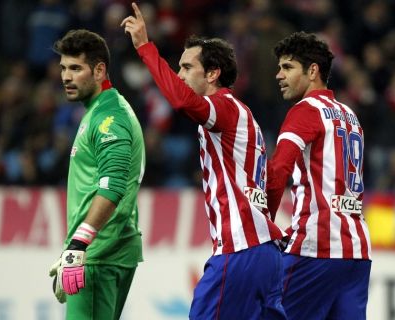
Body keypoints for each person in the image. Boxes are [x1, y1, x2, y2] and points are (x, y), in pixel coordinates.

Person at [122, 3, 287, 319]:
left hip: (239, 252)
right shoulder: (244, 116)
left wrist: (145, 47)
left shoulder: (222, 108)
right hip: (267, 254)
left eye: (186, 67)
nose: (179, 74)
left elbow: (182, 101)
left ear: (212, 74)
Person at [266, 31, 372, 320]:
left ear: (313, 71)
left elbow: (277, 171)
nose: (279, 75)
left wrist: (263, 227)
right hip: (357, 251)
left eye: (287, 67)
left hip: (316, 248)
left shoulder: (305, 111)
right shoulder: (350, 115)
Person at [48, 29, 145, 320]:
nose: (66, 77)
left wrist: (78, 246)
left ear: (100, 69)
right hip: (105, 250)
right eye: (63, 68)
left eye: (76, 68)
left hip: (96, 256)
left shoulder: (108, 119)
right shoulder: (101, 110)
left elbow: (112, 187)